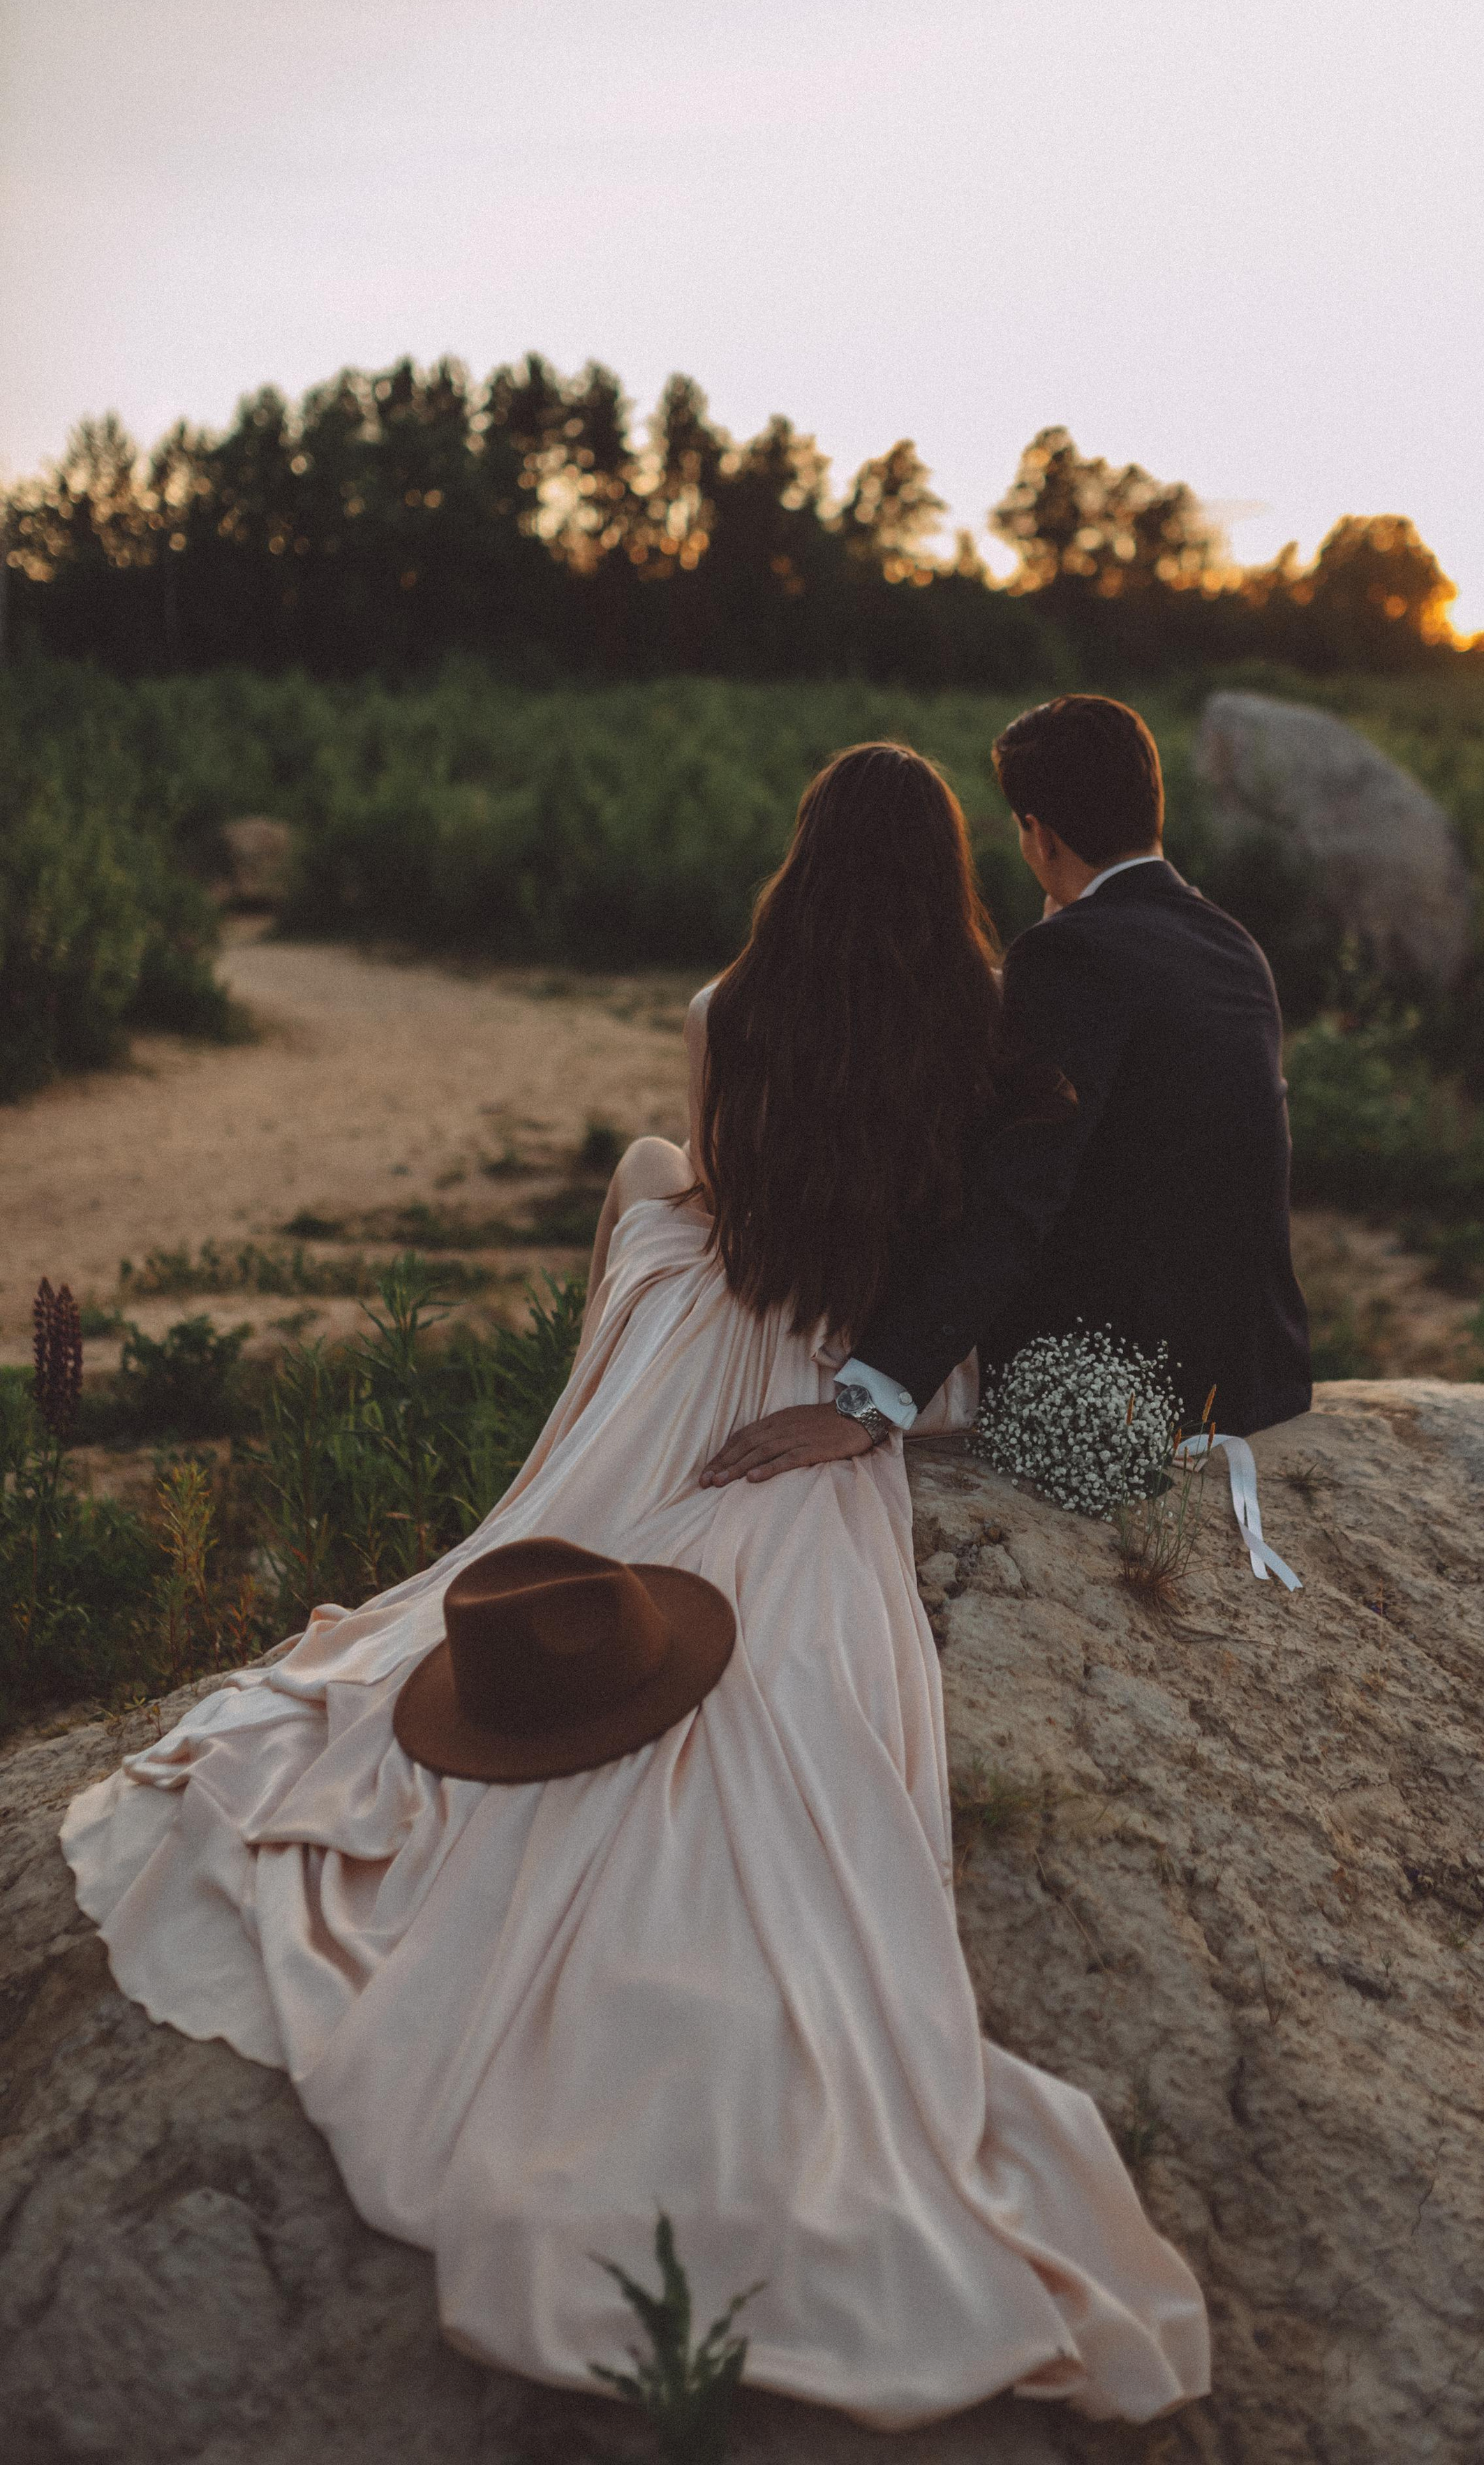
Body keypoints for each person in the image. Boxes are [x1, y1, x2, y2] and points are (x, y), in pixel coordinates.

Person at [61, 741, 1207, 2432]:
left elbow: (730, 1197)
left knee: (640, 1186)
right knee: (656, 1197)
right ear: (953, 863)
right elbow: (982, 1223)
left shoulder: (728, 1003)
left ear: (802, 858)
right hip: (883, 1356)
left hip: (748, 1309)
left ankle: (588, 1434)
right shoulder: (986, 1011)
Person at [704, 694, 1312, 1492]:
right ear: (1149, 807)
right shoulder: (1231, 944)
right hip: (1254, 1370)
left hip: (1126, 1384)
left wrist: (866, 1403)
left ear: (1039, 833)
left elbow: (1019, 1196)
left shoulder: (1071, 958)